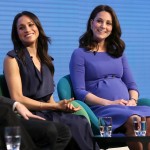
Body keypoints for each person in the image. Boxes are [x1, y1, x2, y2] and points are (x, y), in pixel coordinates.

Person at [3, 11, 99, 150]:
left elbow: (49, 100)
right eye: (21, 27)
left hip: (48, 111)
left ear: (38, 27)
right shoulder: (11, 59)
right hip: (28, 113)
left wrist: (63, 107)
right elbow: (17, 98)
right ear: (16, 33)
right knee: (73, 126)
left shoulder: (47, 61)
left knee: (81, 121)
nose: (27, 30)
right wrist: (53, 107)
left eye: (30, 25)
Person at [69, 5, 150, 150]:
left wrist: (132, 101)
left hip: (127, 107)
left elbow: (132, 85)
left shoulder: (118, 53)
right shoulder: (79, 54)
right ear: (91, 23)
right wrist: (109, 103)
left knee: (147, 121)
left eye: (108, 23)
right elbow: (80, 92)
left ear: (113, 27)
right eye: (99, 21)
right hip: (102, 110)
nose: (103, 26)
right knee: (135, 120)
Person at [0, 96, 71, 150]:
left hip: (12, 114)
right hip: (7, 115)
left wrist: (16, 104)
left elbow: (49, 98)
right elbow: (17, 96)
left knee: (63, 132)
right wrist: (55, 106)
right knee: (6, 113)